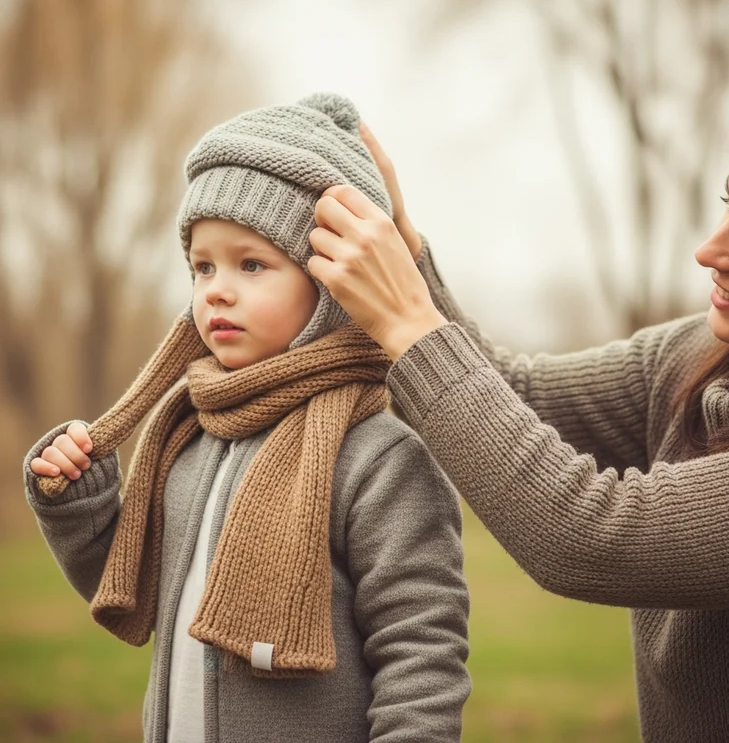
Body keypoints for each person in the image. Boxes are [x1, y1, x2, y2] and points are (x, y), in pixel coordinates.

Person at [306, 103, 729, 742]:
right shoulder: (694, 359)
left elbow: (588, 536)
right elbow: (518, 397)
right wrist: (407, 254)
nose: (709, 250)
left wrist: (407, 323)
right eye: (727, 206)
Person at [22, 94, 470, 743]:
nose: (217, 290)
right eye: (202, 267)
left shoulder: (379, 457)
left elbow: (422, 658)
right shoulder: (186, 433)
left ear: (333, 286)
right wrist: (79, 505)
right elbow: (130, 585)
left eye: (252, 264)